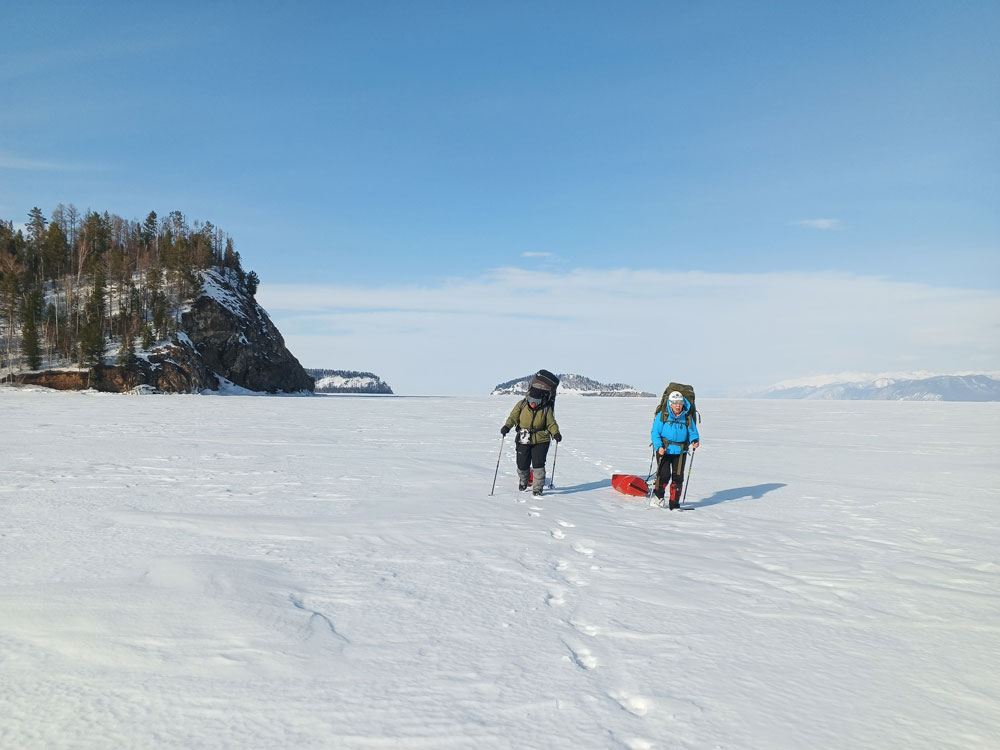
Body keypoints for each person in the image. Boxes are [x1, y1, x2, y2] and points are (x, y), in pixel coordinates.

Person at [500, 386, 561, 496]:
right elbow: (513, 417)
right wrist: (507, 427)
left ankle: (537, 489)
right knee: (522, 464)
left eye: (536, 401)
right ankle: (524, 481)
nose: (533, 403)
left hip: (541, 439)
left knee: (538, 464)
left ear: (540, 400)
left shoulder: (546, 408)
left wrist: (556, 433)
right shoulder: (522, 404)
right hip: (523, 437)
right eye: (531, 400)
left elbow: (551, 423)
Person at [650, 390, 700, 509]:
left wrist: (695, 440)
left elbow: (692, 431)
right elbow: (655, 433)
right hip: (665, 450)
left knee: (678, 477)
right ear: (670, 403)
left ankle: (674, 504)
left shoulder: (687, 416)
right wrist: (659, 447)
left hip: (680, 452)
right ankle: (658, 497)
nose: (678, 405)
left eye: (680, 403)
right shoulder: (663, 415)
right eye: (675, 403)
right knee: (664, 475)